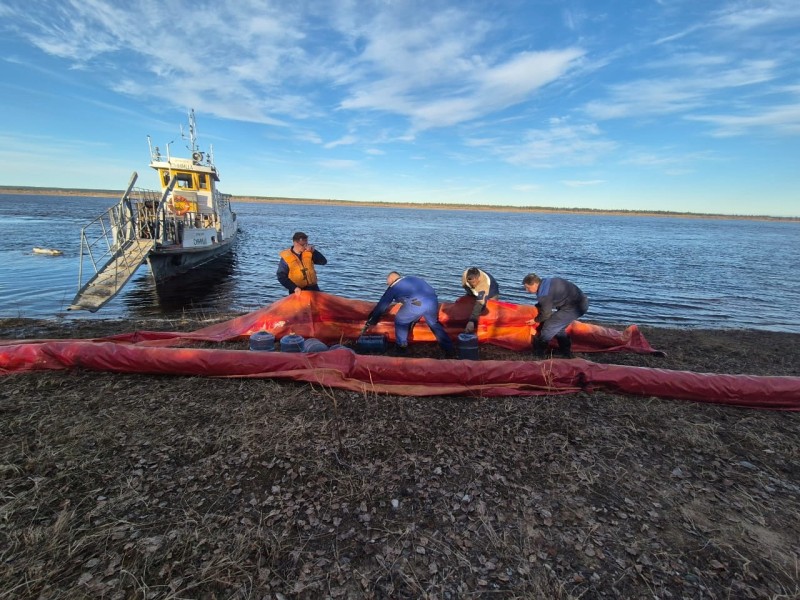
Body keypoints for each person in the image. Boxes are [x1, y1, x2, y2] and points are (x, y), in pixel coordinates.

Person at [364, 272, 455, 357]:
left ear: (391, 280)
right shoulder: (411, 278)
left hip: (418, 304)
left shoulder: (394, 288)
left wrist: (373, 319)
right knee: (433, 324)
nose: (387, 284)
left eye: (387, 282)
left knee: (400, 320)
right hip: (432, 301)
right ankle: (449, 349)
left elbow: (382, 305)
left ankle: (401, 347)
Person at [522, 273, 589, 358]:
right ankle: (565, 352)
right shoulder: (546, 282)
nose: (527, 290)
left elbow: (546, 314)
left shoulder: (543, 293)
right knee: (558, 328)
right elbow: (548, 300)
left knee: (549, 325)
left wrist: (535, 320)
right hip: (579, 301)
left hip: (576, 307)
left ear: (535, 284)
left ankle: (539, 353)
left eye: (527, 287)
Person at [461, 267, 500, 333]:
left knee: (490, 309)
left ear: (478, 278)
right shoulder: (465, 276)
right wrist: (471, 294)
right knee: (470, 302)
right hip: (475, 288)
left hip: (492, 289)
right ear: (468, 280)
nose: (474, 284)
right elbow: (466, 287)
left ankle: (487, 329)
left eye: (475, 281)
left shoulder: (483, 284)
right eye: (472, 282)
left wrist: (471, 321)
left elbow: (480, 303)